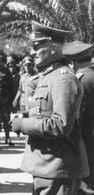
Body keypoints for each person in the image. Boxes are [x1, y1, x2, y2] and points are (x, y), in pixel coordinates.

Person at [10, 21, 88, 195]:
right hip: (46, 164)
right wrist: (24, 115)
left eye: (37, 46)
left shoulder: (63, 79)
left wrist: (22, 124)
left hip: (57, 165)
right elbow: (43, 112)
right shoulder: (49, 76)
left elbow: (61, 125)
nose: (32, 52)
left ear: (53, 48)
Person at [63, 41, 94, 194]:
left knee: (84, 186)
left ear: (73, 62)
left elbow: (75, 117)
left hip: (86, 142)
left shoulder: (79, 80)